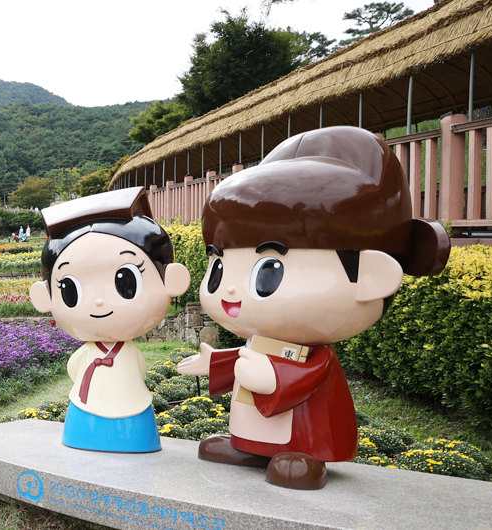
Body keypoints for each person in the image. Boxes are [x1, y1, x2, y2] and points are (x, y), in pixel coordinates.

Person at [176, 126, 451, 490]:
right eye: (219, 267)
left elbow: (306, 375)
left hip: (301, 426)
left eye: (268, 271)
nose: (228, 289)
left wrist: (271, 378)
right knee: (250, 422)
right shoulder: (261, 337)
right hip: (254, 414)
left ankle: (306, 454)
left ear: (371, 276)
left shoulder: (313, 352)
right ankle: (249, 447)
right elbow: (247, 359)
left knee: (295, 442)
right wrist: (213, 363)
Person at [28, 187, 191, 453]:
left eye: (125, 282)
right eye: (70, 290)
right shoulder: (119, 352)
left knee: (130, 425)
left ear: (171, 280)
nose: (99, 301)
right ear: (44, 297)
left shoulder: (101, 351)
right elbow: (138, 369)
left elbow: (74, 370)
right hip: (88, 410)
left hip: (128, 407)